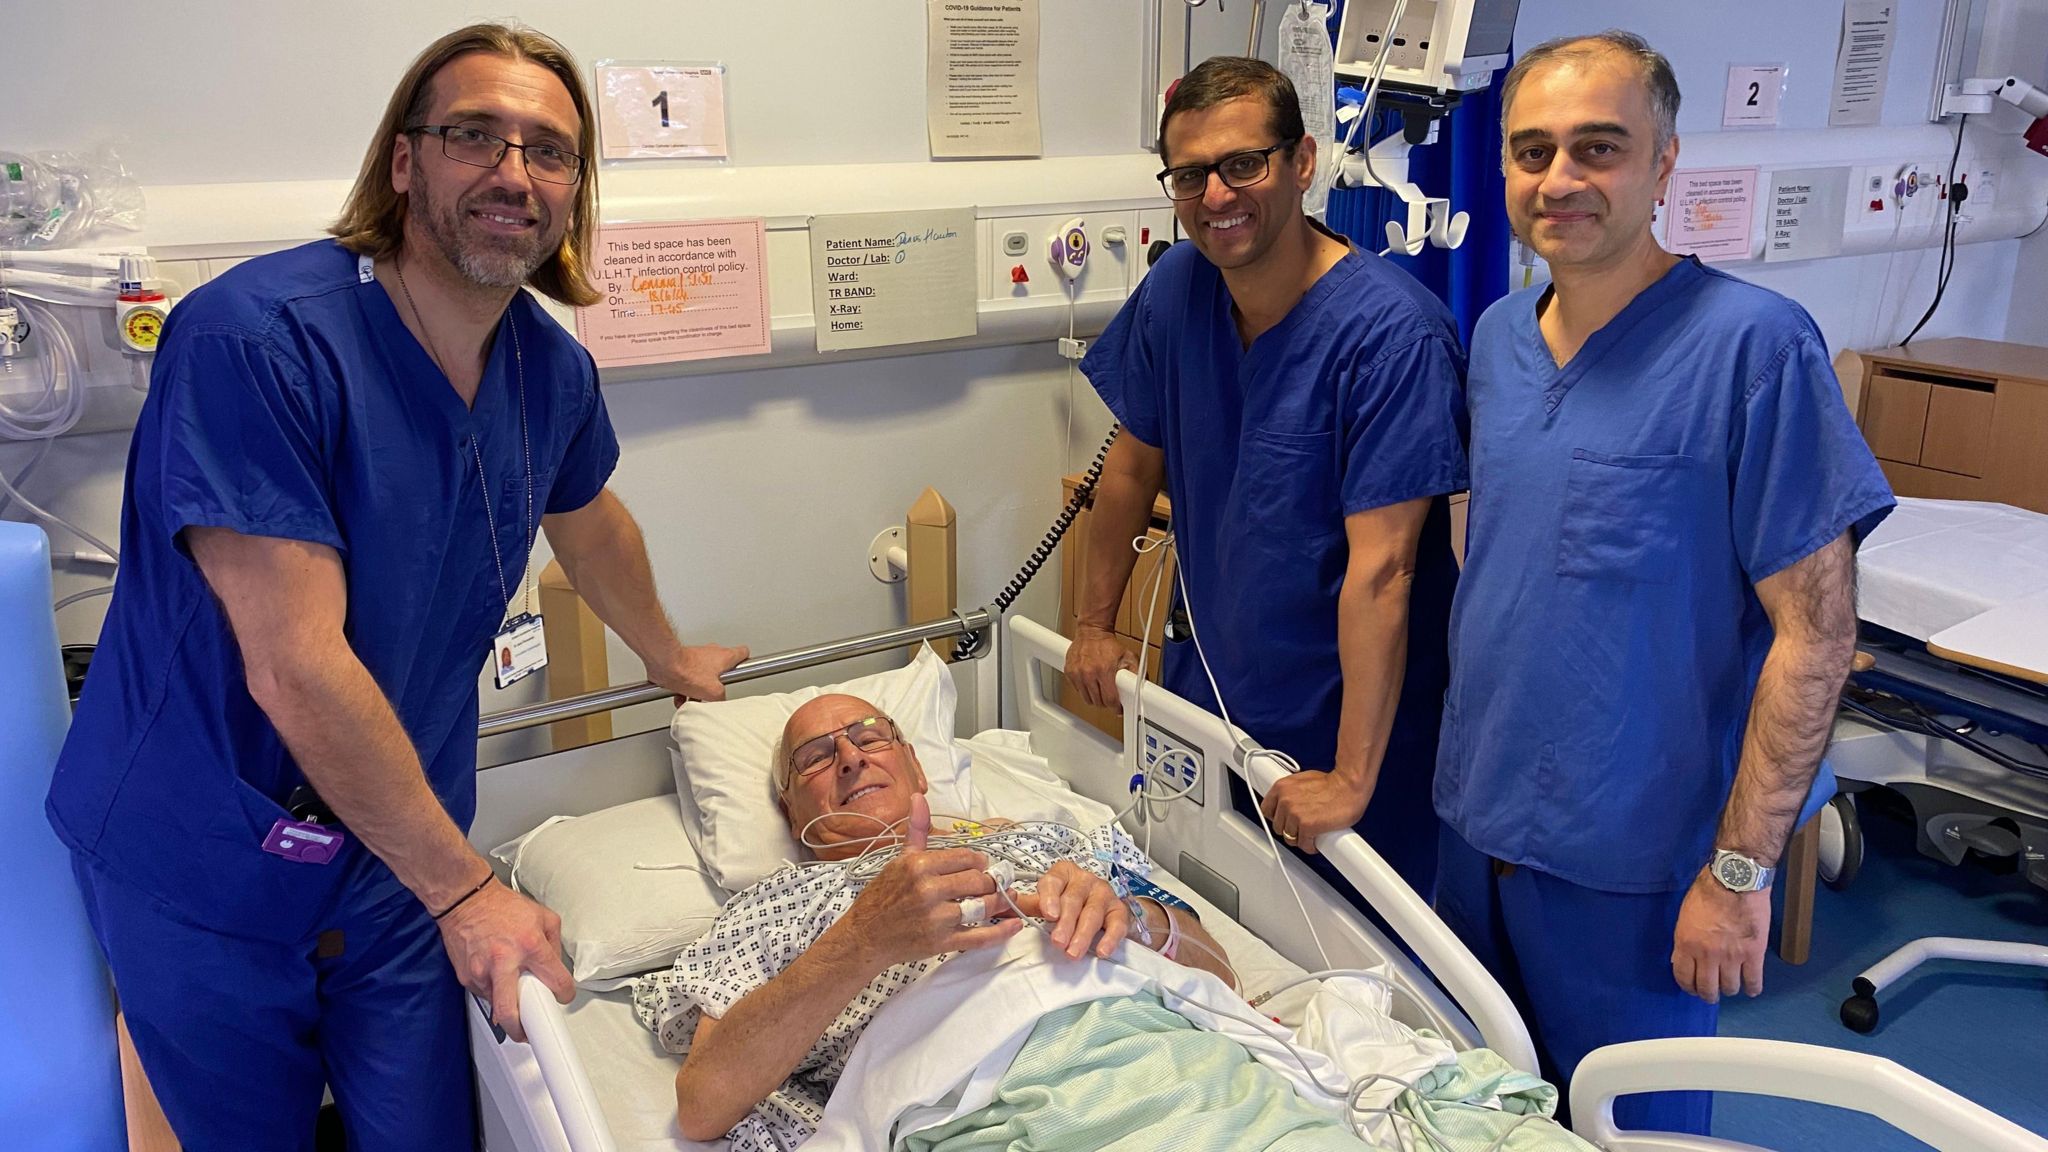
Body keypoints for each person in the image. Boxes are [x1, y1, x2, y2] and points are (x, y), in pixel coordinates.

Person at [46, 24, 746, 1149]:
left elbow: (590, 517)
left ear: (574, 193)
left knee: (426, 1128)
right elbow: (294, 662)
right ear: (406, 162)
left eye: (550, 151)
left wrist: (666, 656)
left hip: (395, 842)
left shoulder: (546, 368)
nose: (514, 171)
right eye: (476, 135)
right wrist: (467, 891)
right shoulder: (256, 343)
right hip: (206, 850)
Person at [1432, 30, 1893, 1135]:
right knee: (1478, 1108)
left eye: (1597, 148)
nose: (1558, 180)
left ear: (1662, 164)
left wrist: (1737, 879)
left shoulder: (1752, 349)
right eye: (1530, 150)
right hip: (1474, 824)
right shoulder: (1497, 338)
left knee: (1625, 1124)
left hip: (1634, 863)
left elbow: (1815, 636)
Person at [1064, 57, 1468, 901]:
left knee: (1364, 985)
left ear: (1303, 162)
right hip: (1213, 697)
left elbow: (1385, 571)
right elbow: (1132, 464)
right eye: (1190, 174)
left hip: (1346, 725)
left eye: (1244, 163)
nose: (1216, 195)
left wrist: (1351, 777)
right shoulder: (1179, 287)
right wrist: (1094, 624)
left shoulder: (1392, 339)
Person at [634, 693, 1244, 1149]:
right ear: (792, 812)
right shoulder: (772, 905)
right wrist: (865, 939)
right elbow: (703, 1104)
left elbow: (1222, 977)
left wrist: (1133, 919)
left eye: (870, 738)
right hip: (983, 1110)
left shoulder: (1046, 839)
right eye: (815, 759)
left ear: (918, 770)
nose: (849, 756)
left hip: (1181, 1067)